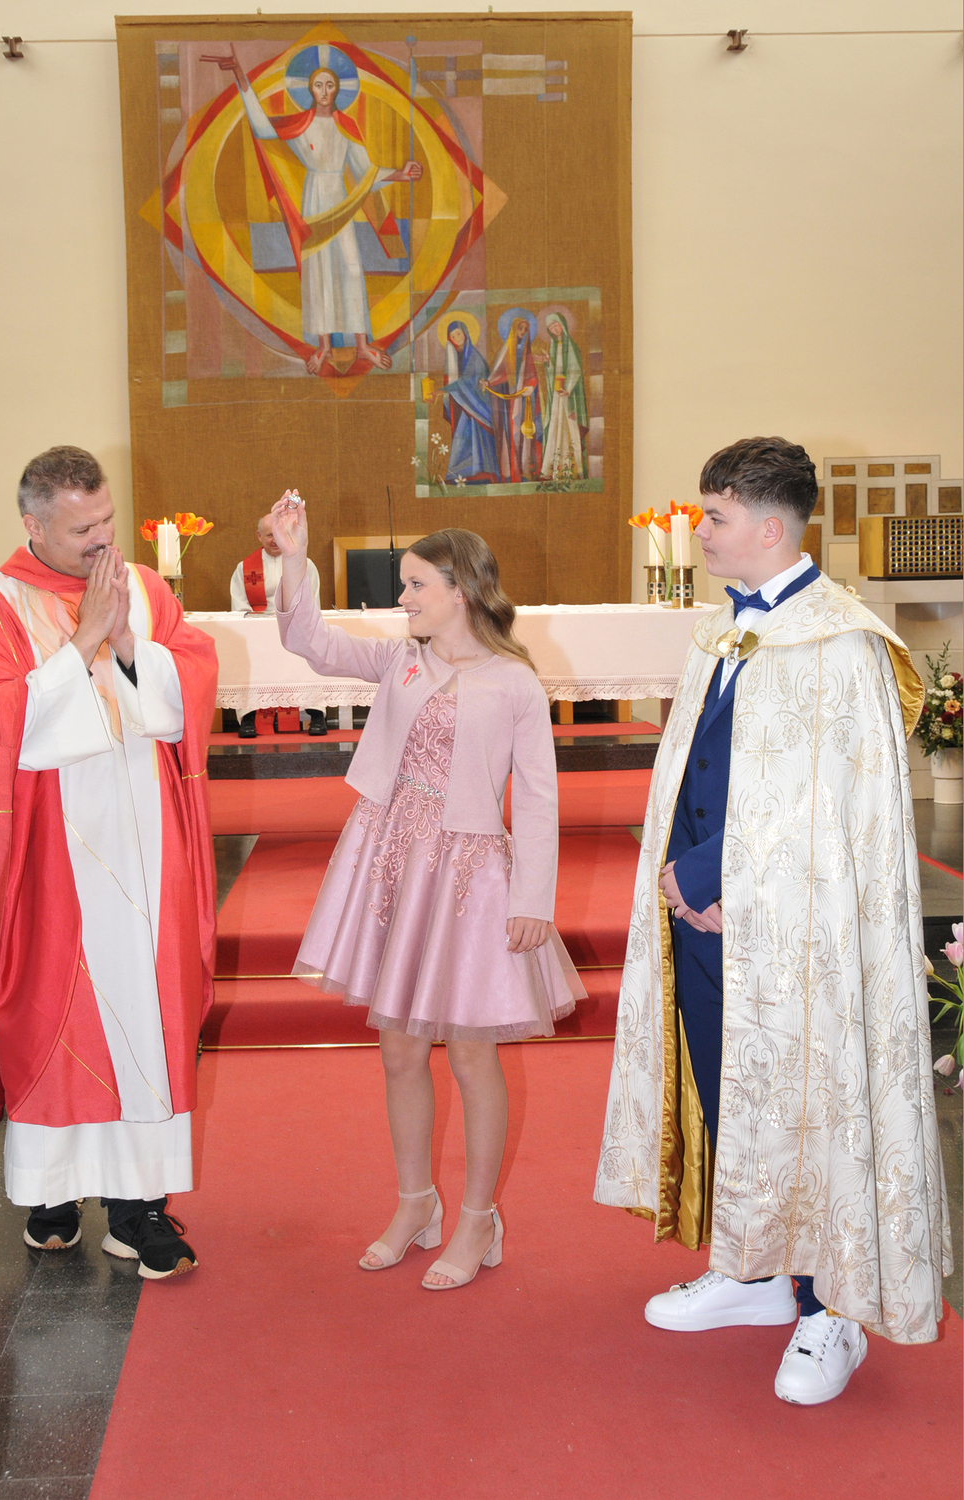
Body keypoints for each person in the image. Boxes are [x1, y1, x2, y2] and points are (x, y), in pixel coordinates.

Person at [594, 436, 950, 1402]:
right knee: (729, 1085)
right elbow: (699, 766)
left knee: (810, 1098)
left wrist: (712, 874)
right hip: (705, 920)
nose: (700, 532)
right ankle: (753, 1271)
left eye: (713, 517)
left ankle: (830, 1309)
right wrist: (680, 881)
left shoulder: (842, 641)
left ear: (767, 526)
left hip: (798, 935)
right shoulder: (724, 630)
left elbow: (827, 805)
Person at [272, 496, 584, 1288]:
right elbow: (310, 642)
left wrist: (533, 900)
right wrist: (294, 558)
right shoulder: (401, 661)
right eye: (404, 585)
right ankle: (416, 1203)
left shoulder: (515, 683)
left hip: (472, 875)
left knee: (472, 1054)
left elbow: (538, 797)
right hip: (392, 864)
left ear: (461, 590)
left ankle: (477, 1217)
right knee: (400, 1046)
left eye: (416, 585)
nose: (402, 598)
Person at [0, 447, 218, 1279]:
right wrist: (82, 641)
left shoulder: (145, 590)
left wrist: (128, 646)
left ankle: (139, 1207)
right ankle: (52, 1193)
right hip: (48, 858)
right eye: (83, 527)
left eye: (108, 520)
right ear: (34, 524)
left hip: (145, 845)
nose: (102, 540)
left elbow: (189, 683)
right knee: (55, 1020)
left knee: (145, 1018)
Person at [204, 45, 421, 377]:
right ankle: (325, 347)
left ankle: (362, 346)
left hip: (341, 202)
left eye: (329, 85)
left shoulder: (346, 125)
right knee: (319, 271)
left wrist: (400, 174)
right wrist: (239, 76)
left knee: (351, 267)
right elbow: (262, 128)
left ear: (337, 89)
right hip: (314, 200)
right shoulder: (301, 125)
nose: (324, 91)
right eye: (318, 85)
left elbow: (365, 172)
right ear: (309, 89)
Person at [229, 510, 326, 737]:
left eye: (278, 534)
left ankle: (316, 713)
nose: (274, 540)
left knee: (313, 650)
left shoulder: (304, 564)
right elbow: (239, 607)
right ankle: (248, 716)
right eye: (269, 535)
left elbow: (312, 602)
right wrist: (260, 627)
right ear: (259, 536)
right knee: (245, 657)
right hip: (258, 634)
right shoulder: (244, 568)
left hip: (295, 629)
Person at [436, 321, 499, 483]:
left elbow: (466, 382)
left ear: (465, 333)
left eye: (458, 333)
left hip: (478, 405)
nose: (456, 338)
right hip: (466, 403)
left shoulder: (473, 356)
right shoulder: (456, 356)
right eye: (452, 336)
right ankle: (463, 474)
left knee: (469, 436)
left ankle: (478, 473)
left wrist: (440, 391)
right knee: (463, 438)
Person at [482, 313, 543, 482]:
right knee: (511, 431)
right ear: (513, 329)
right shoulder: (507, 350)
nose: (522, 332)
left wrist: (531, 386)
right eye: (520, 328)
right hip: (510, 399)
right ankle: (512, 470)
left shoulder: (528, 352)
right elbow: (499, 374)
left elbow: (534, 375)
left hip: (524, 399)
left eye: (525, 329)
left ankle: (526, 469)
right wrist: (488, 382)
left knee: (525, 433)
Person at [535, 314, 588, 482]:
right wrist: (547, 361)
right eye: (551, 328)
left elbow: (575, 369)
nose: (554, 329)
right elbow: (554, 371)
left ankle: (572, 469)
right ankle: (551, 469)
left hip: (567, 394)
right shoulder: (553, 345)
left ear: (562, 325)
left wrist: (569, 388)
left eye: (555, 325)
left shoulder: (569, 345)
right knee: (556, 426)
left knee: (569, 425)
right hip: (557, 393)